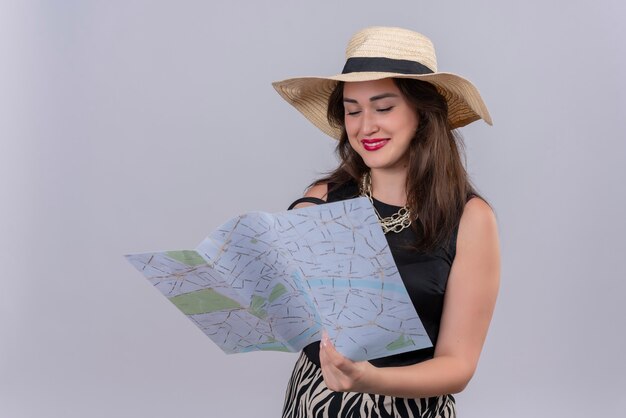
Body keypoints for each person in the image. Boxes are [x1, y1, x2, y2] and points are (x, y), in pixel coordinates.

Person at [272, 26, 500, 418]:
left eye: (384, 107)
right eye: (352, 109)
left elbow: (458, 366)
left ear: (423, 113)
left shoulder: (469, 219)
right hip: (316, 403)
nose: (365, 126)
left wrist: (368, 380)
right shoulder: (321, 200)